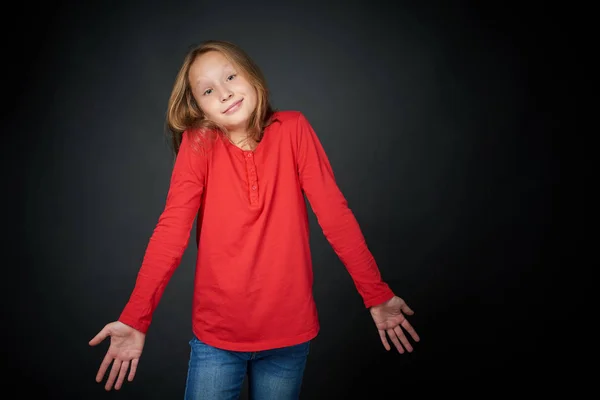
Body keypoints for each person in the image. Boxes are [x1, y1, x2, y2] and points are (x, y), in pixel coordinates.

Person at [89, 39, 420, 399]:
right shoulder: (198, 143)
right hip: (217, 337)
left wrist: (376, 294)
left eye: (231, 76)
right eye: (209, 90)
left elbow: (335, 216)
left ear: (252, 75)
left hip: (288, 336)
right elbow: (171, 231)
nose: (225, 93)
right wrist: (136, 318)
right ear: (197, 106)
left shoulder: (293, 129)